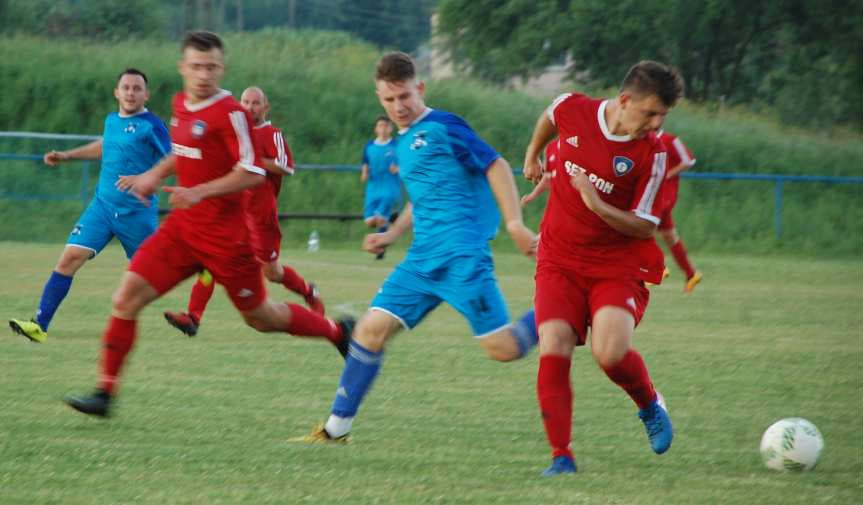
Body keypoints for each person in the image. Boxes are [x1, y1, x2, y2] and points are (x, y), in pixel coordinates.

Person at [64, 31, 352, 418]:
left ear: (222, 68)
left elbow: (252, 173)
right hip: (183, 231)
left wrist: (200, 192)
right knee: (125, 298)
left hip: (228, 239)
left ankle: (337, 331)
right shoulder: (181, 103)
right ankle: (105, 393)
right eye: (196, 66)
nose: (204, 75)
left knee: (260, 318)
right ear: (183, 67)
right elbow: (181, 152)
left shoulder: (232, 114)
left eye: (212, 67)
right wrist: (153, 175)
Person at [297, 52, 540, 443]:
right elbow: (422, 198)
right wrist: (392, 234)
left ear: (420, 88)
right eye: (389, 100)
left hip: (462, 255)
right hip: (422, 260)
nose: (399, 106)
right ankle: (335, 429)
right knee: (368, 332)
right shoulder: (403, 143)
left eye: (405, 96)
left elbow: (495, 164)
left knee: (504, 348)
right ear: (379, 98)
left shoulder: (445, 126)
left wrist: (515, 224)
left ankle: (560, 306)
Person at [522, 60, 683, 476]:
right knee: (553, 344)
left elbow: (645, 226)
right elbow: (549, 114)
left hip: (618, 264)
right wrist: (533, 153)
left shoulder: (655, 153)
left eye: (662, 116)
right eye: (649, 113)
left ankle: (649, 404)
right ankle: (562, 457)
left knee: (609, 353)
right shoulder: (574, 109)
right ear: (624, 100)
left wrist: (596, 203)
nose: (655, 123)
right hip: (559, 258)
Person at [9, 68, 170, 343]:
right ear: (116, 92)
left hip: (137, 214)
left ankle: (199, 277)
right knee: (69, 258)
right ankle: (39, 325)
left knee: (157, 272)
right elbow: (105, 146)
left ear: (146, 94)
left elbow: (175, 159)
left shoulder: (152, 125)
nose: (131, 93)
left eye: (137, 88)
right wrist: (67, 155)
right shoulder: (111, 121)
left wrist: (145, 177)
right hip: (103, 208)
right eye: (126, 87)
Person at [163, 85, 325, 337]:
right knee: (211, 263)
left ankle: (308, 292)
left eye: (255, 103)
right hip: (233, 215)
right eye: (246, 102)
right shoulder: (234, 131)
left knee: (272, 273)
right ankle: (193, 316)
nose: (250, 107)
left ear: (265, 107)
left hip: (261, 217)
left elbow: (286, 166)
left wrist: (252, 162)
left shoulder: (271, 133)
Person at [655, 130, 702, 293]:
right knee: (670, 237)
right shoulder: (644, 139)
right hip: (653, 195)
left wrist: (668, 174)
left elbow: (689, 160)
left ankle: (659, 268)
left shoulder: (669, 140)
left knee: (640, 229)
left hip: (664, 196)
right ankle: (691, 274)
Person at [360, 115, 401, 259]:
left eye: (386, 126)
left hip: (389, 188)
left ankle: (380, 250)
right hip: (373, 187)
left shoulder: (396, 146)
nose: (383, 129)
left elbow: (405, 164)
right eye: (380, 126)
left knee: (379, 218)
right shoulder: (369, 146)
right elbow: (365, 162)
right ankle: (392, 219)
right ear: (376, 129)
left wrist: (399, 169)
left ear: (390, 128)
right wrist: (364, 173)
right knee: (370, 221)